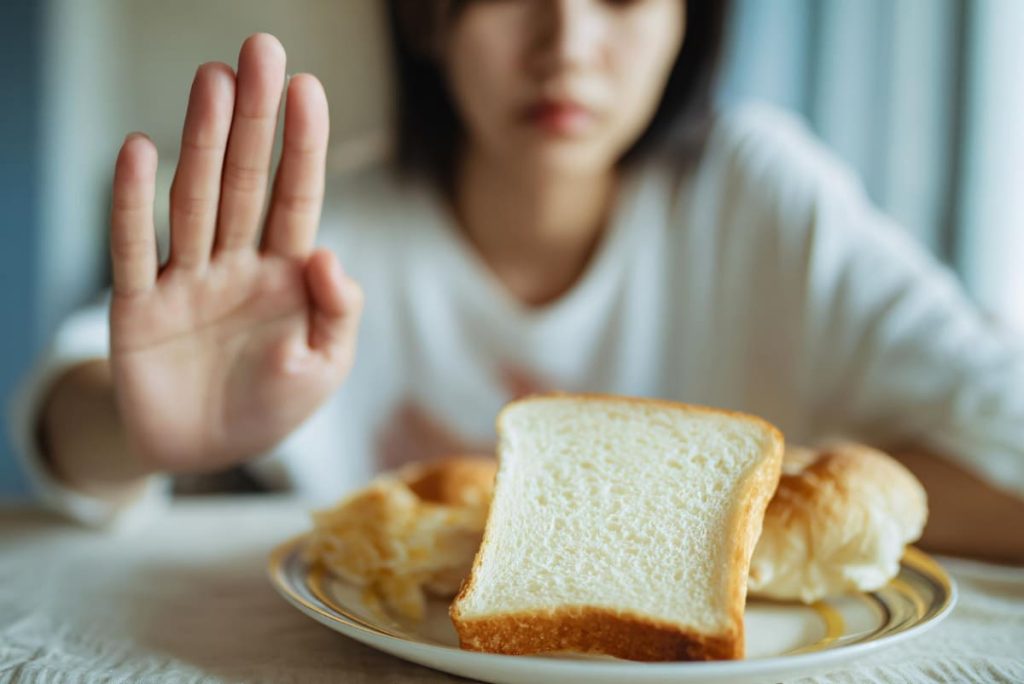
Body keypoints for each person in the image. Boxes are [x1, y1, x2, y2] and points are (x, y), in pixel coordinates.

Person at [11, 0, 1024, 560]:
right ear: (425, 17)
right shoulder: (322, 242)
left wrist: (732, 512)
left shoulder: (761, 196)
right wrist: (138, 435)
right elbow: (66, 427)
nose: (566, 43)